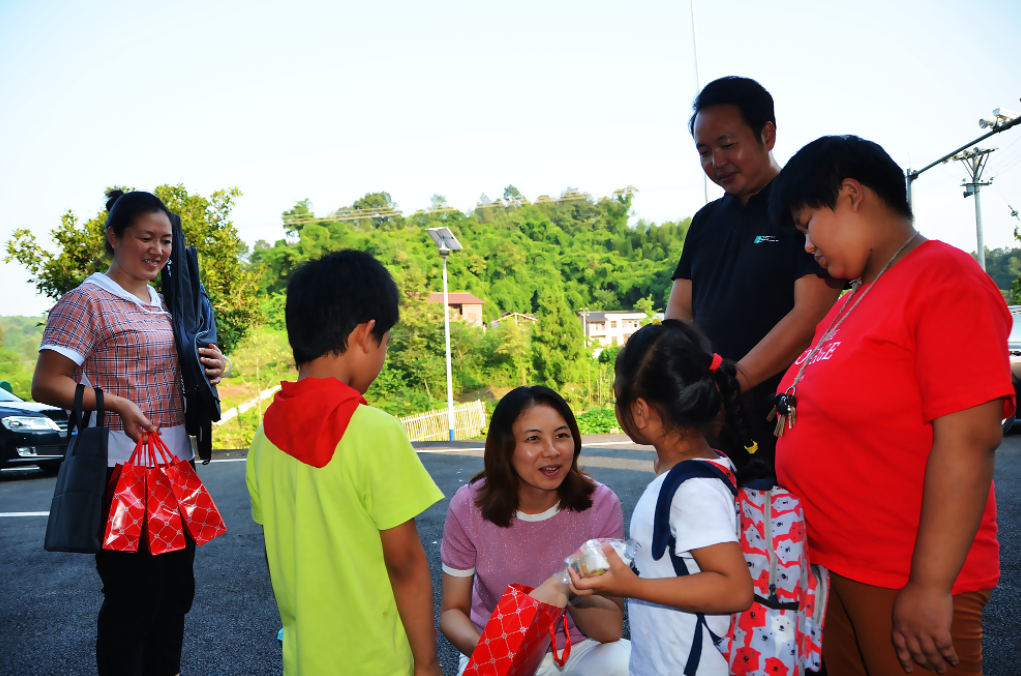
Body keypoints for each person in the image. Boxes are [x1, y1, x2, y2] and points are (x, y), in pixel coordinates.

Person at [768, 135, 1015, 676]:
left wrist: (929, 585)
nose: (806, 245)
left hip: (902, 571)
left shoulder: (945, 279)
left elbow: (969, 442)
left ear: (852, 195)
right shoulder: (855, 295)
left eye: (808, 223)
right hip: (837, 567)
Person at [31, 189, 227, 676]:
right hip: (120, 471)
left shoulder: (168, 302)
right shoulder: (87, 301)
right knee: (132, 601)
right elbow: (47, 383)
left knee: (174, 597)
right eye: (145, 238)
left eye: (165, 240)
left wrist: (215, 366)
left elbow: (183, 367)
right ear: (114, 237)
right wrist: (114, 402)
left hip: (173, 468)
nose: (158, 250)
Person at [245, 249, 444, 676]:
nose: (383, 354)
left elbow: (275, 552)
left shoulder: (264, 437)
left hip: (304, 660)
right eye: (386, 343)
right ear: (364, 334)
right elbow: (405, 564)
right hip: (378, 662)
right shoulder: (374, 431)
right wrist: (427, 663)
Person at [666, 76, 843, 479]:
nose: (717, 162)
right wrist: (685, 379)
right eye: (704, 151)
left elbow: (810, 315)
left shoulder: (803, 207)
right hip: (712, 420)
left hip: (786, 419)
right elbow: (679, 308)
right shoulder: (706, 220)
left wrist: (732, 383)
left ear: (767, 134)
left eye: (728, 145)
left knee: (785, 532)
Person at [567, 320, 754, 675]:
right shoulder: (694, 473)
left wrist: (632, 585)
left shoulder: (691, 488)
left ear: (639, 411)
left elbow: (734, 588)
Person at [439, 386, 631, 676]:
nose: (552, 451)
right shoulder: (468, 506)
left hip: (579, 650)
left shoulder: (600, 505)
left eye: (561, 435)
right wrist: (498, 658)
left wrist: (566, 585)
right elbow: (452, 612)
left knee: (626, 664)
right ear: (505, 448)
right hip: (497, 645)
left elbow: (609, 629)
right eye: (533, 439)